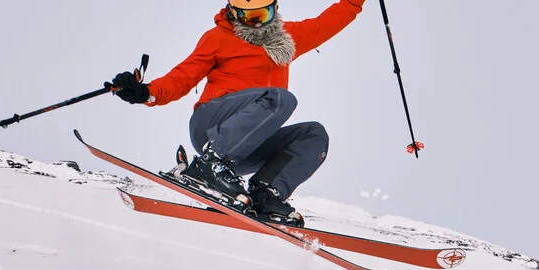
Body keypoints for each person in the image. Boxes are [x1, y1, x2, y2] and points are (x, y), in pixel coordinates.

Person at [108, 0, 367, 225]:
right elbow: (181, 79)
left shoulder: (288, 37)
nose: (255, 24)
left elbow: (331, 20)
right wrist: (145, 92)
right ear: (233, 13)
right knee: (280, 98)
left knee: (314, 134)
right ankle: (209, 165)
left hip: (247, 145)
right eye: (247, 16)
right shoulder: (218, 38)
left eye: (261, 16)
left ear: (274, 9)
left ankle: (266, 192)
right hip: (212, 126)